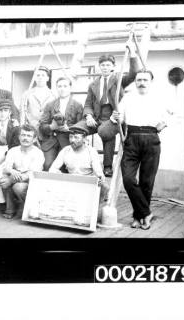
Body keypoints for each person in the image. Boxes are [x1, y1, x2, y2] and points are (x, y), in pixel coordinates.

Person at [111, 69, 169, 230]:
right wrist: (115, 117)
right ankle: (146, 212)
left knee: (146, 181)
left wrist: (161, 125)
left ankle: (140, 217)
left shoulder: (159, 98)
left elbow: (169, 115)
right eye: (139, 80)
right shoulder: (128, 97)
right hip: (132, 138)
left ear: (150, 82)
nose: (141, 82)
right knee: (128, 179)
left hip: (151, 138)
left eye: (145, 80)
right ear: (135, 82)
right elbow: (119, 117)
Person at [82, 42, 139, 177]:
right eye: (103, 65)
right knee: (76, 129)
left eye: (108, 65)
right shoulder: (93, 84)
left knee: (105, 132)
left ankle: (107, 167)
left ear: (113, 67)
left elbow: (134, 73)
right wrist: (89, 116)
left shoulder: (118, 79)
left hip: (114, 116)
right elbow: (88, 104)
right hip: (96, 117)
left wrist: (132, 53)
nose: (105, 67)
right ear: (99, 66)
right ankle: (82, 164)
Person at [48, 121, 109, 202]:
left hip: (87, 184)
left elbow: (98, 172)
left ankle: (96, 207)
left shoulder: (91, 152)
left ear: (84, 138)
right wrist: (59, 174)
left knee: (105, 186)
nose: (72, 140)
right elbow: (52, 169)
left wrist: (100, 178)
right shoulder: (66, 150)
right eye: (70, 137)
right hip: (71, 183)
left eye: (76, 137)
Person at [0, 124, 44, 219]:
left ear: (34, 139)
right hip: (16, 176)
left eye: (29, 136)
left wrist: (11, 180)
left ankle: (26, 207)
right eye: (23, 135)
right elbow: (6, 167)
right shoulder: (13, 151)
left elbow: (31, 174)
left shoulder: (38, 153)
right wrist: (12, 171)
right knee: (3, 179)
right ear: (19, 137)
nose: (25, 138)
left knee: (18, 187)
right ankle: (10, 208)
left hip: (31, 182)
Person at [39, 76, 84, 170]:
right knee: (47, 165)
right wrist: (51, 127)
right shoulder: (50, 105)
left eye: (65, 86)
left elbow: (81, 126)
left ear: (70, 88)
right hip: (51, 141)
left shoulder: (77, 105)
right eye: (59, 86)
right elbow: (42, 126)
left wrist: (69, 129)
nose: (62, 89)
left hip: (69, 141)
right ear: (56, 88)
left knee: (65, 167)